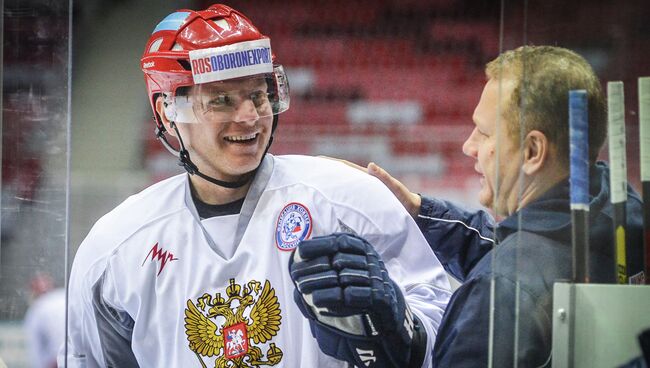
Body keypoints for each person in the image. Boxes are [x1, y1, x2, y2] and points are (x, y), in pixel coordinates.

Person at [61, 4, 451, 367]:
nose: (250, 116)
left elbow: (442, 325)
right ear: (168, 111)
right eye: (222, 101)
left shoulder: (351, 201)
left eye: (258, 95)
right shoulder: (114, 248)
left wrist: (404, 335)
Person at [343, 45, 645, 367]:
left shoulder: (495, 295)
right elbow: (526, 250)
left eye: (484, 133)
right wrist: (420, 210)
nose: (468, 146)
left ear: (532, 152)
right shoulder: (623, 210)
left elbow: (515, 271)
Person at [24, 274, 66, 368]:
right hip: (86, 356)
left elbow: (36, 351)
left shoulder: (36, 309)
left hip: (57, 361)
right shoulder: (66, 295)